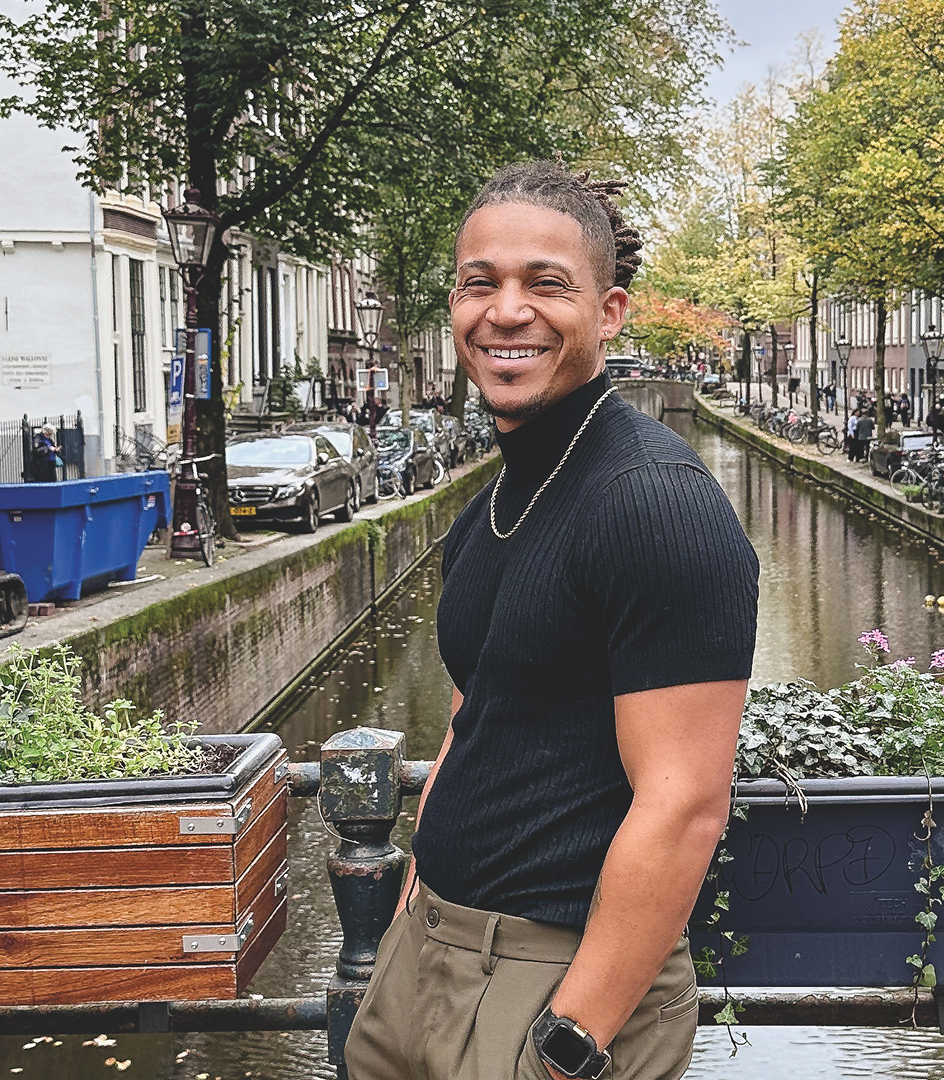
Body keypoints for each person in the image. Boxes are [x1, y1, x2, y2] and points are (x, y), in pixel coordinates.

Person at [346, 162, 759, 1080]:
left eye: (546, 284)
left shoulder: (655, 502)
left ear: (608, 313)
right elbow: (475, 714)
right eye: (480, 282)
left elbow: (685, 804)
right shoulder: (497, 502)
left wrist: (567, 1044)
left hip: (552, 982)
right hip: (428, 957)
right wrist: (417, 891)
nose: (506, 311)